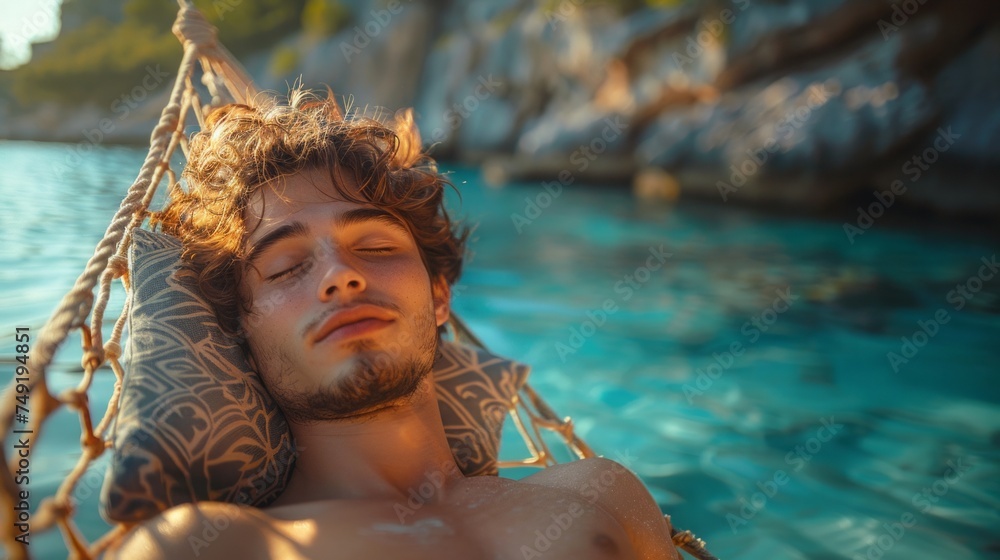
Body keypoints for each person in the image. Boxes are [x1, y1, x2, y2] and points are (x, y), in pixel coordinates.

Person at [105, 90, 682, 560]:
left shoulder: (600, 491)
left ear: (438, 297)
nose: (340, 276)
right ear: (243, 334)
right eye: (285, 269)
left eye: (376, 246)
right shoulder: (217, 546)